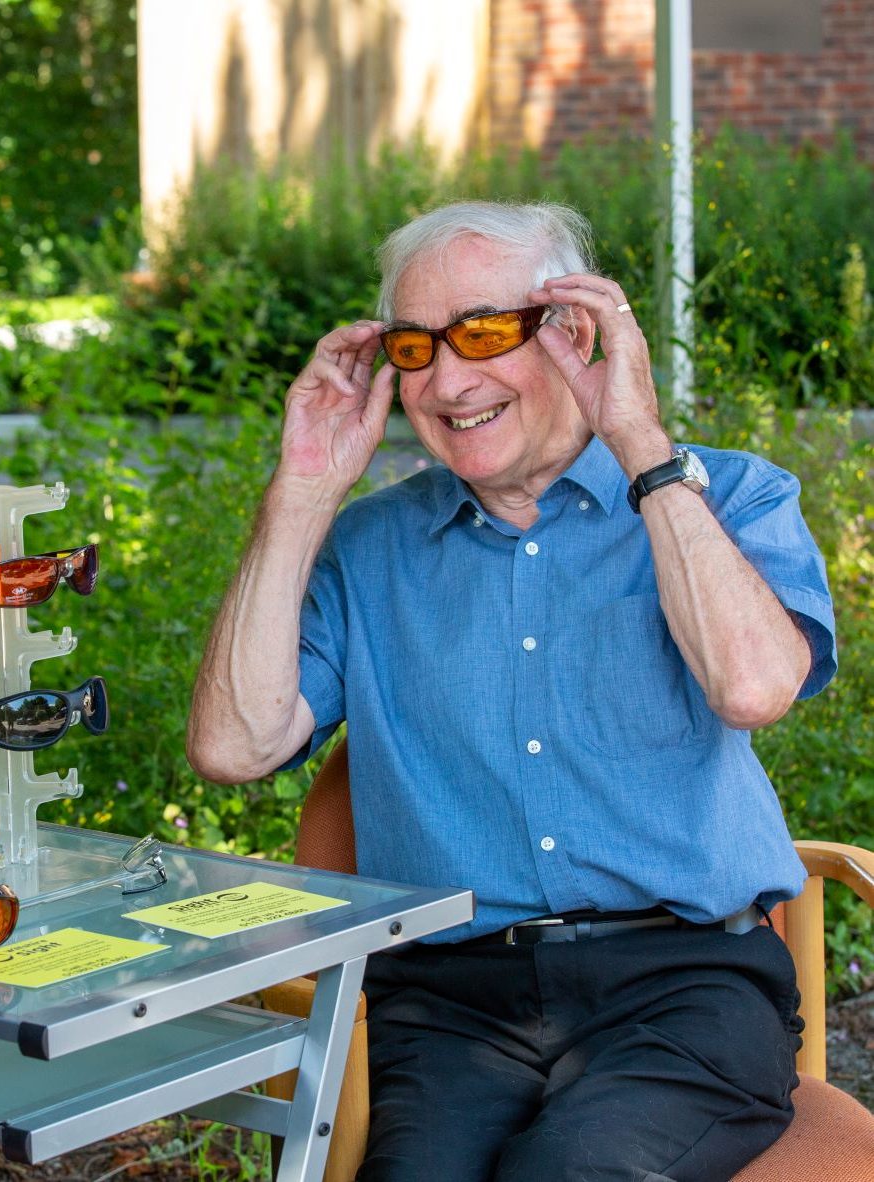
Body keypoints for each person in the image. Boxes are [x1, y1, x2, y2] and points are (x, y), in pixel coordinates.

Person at [187, 200, 836, 1182]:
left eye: (483, 334)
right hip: (450, 1002)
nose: (449, 382)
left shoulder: (728, 496)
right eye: (416, 348)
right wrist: (303, 491)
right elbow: (235, 747)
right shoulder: (371, 551)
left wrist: (642, 448)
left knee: (571, 1172)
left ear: (576, 334)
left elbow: (754, 685)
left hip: (684, 984)